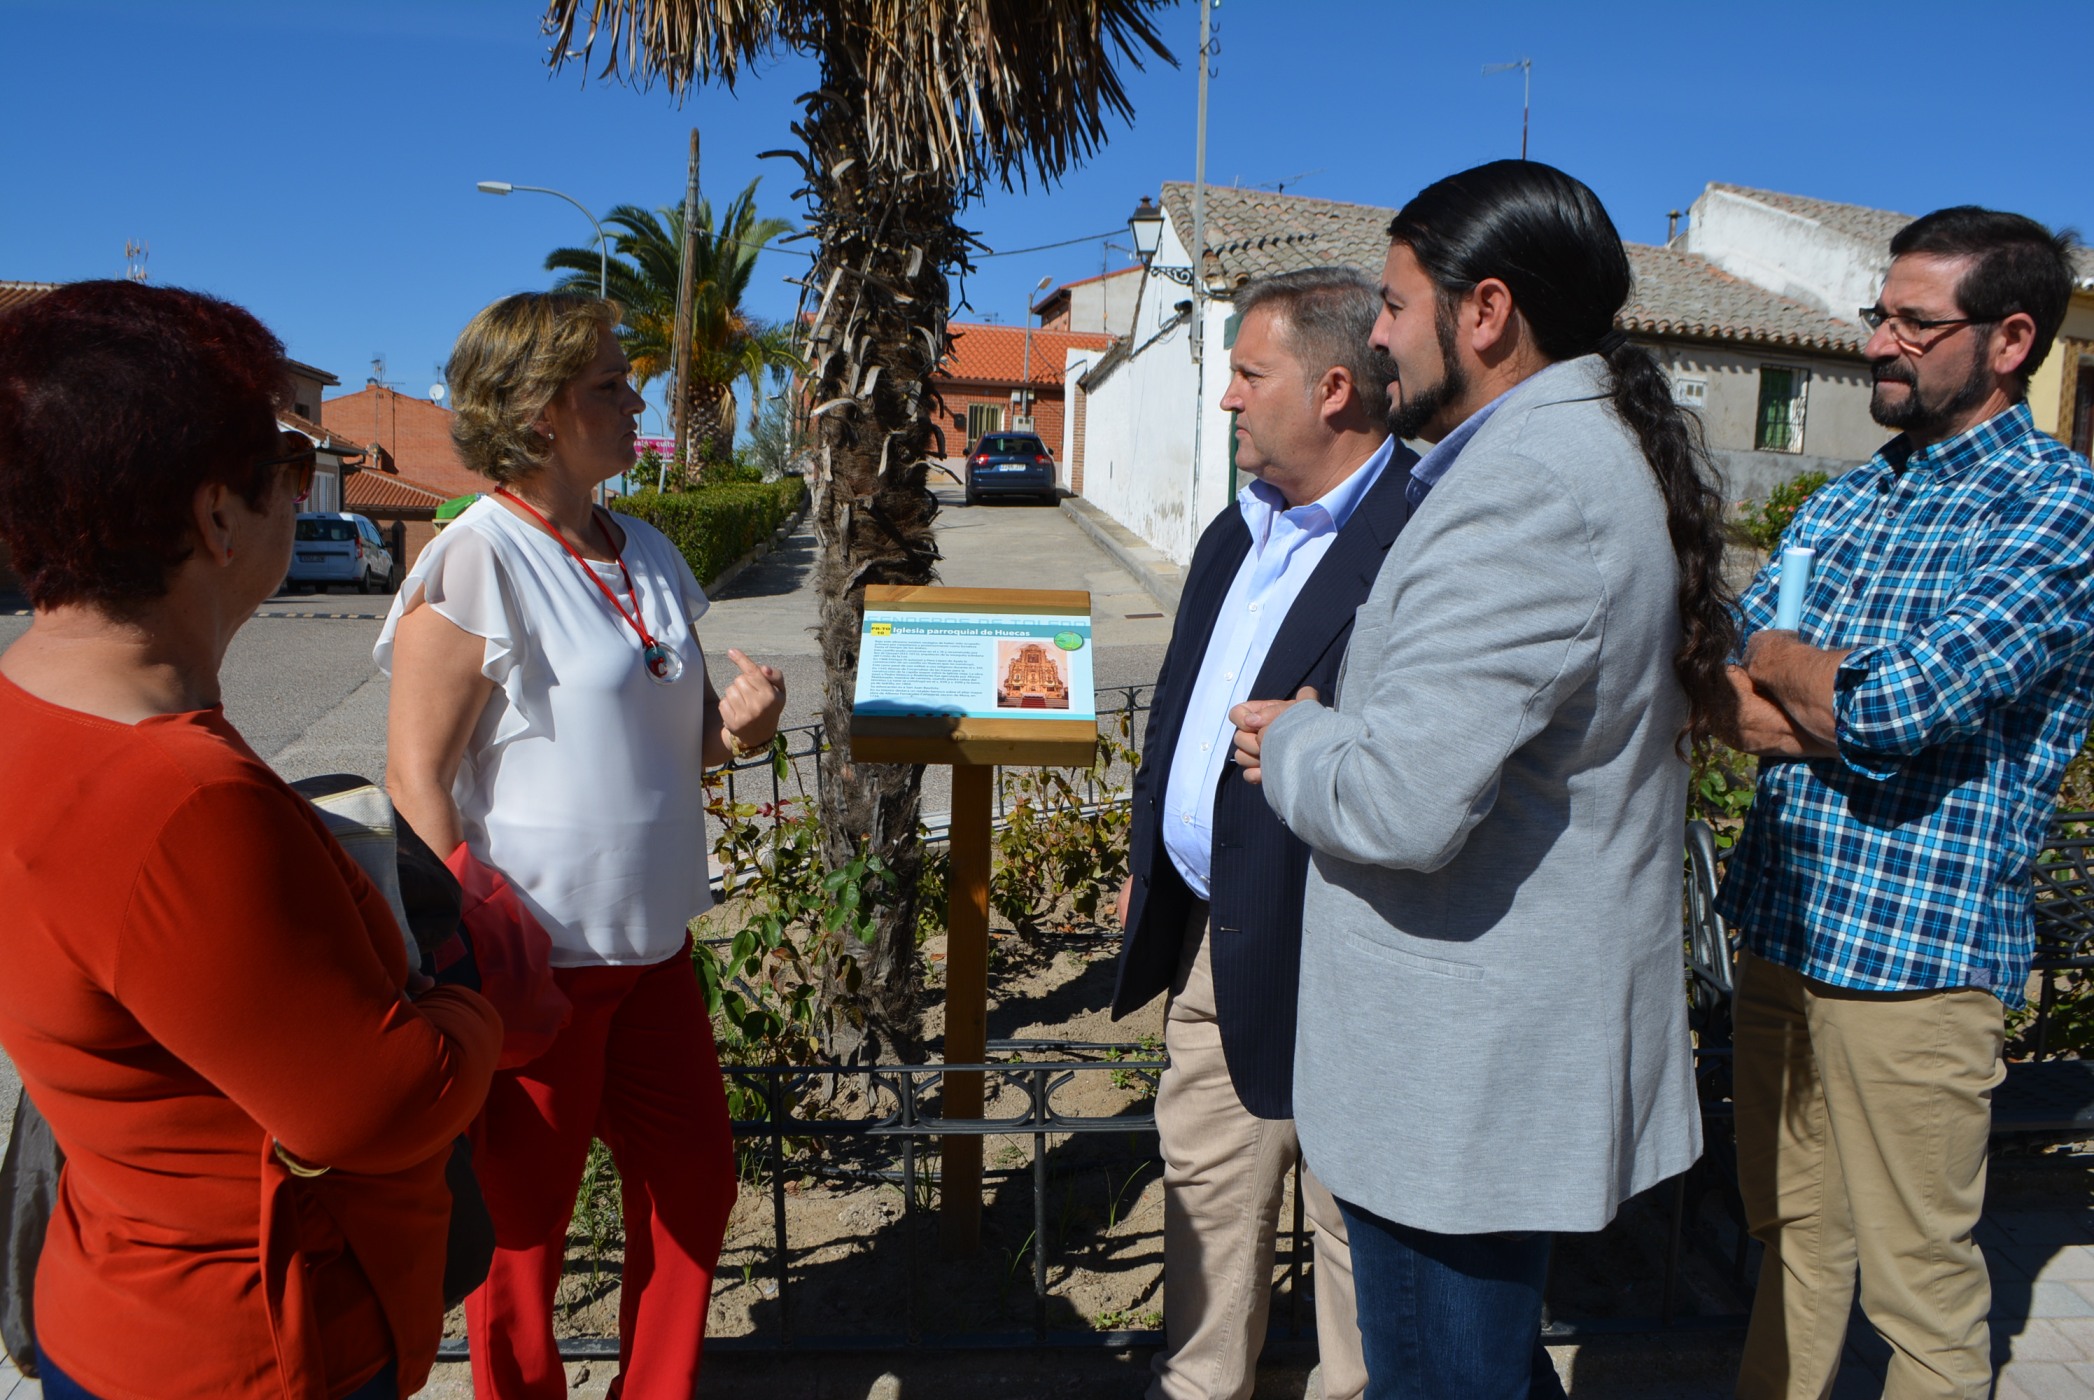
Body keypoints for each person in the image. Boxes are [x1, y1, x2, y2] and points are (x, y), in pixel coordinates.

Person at [1230, 161, 1738, 1398]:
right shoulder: (1566, 454)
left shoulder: (1526, 492)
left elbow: (1401, 802)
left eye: (1397, 307)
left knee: (1448, 1376)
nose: (1383, 339)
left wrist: (1293, 738)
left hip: (1456, 1080)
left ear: (1487, 312)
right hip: (1487, 1053)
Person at [0, 280, 502, 1399]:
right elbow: (383, 1101)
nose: (298, 478)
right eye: (286, 457)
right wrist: (477, 990)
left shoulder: (30, 709)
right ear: (215, 516)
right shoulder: (174, 797)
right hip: (248, 1345)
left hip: (107, 1292)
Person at [1716, 208, 2094, 1400]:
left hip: (1917, 965)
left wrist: (1797, 668)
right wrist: (1812, 686)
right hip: (1785, 931)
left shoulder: (2057, 508)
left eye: (1913, 322)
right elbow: (1719, 680)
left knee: (1919, 1292)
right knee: (1790, 1245)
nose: (1879, 340)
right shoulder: (1844, 501)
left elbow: (1898, 701)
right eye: (1880, 313)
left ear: (2010, 338)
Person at [379, 291, 784, 1400]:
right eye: (610, 382)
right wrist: (470, 935)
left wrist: (737, 727)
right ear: (541, 411)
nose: (635, 395)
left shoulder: (647, 548)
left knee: (695, 1186)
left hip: (652, 951)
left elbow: (680, 733)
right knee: (522, 1237)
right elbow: (415, 771)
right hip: (533, 965)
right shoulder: (477, 556)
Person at [1112, 266, 1415, 1400]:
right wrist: (1152, 860)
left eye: (1249, 373)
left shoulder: (1419, 537)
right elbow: (1179, 709)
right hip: (1214, 938)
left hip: (1353, 956)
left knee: (1351, 1225)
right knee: (1208, 1195)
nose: (1228, 398)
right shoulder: (1235, 535)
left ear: (1334, 388)